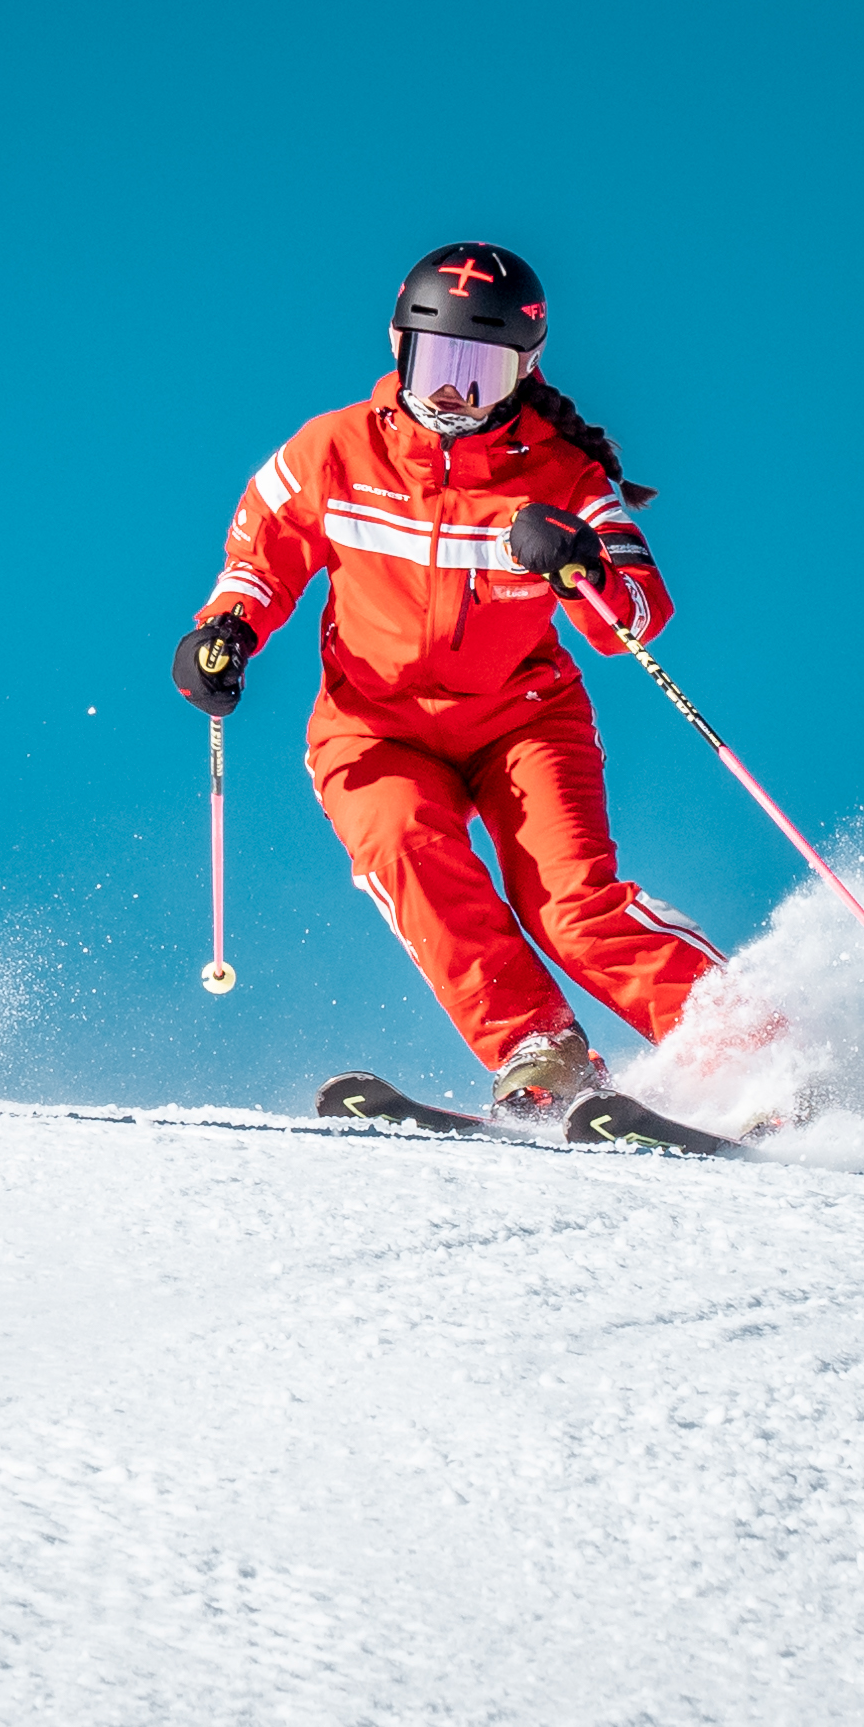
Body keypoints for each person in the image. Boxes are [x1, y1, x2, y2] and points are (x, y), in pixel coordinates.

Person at [173, 242, 721, 1113]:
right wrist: (226, 630)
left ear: (525, 371)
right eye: (434, 364)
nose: (451, 395)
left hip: (522, 721)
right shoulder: (334, 450)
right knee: (403, 848)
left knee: (569, 906)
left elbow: (639, 620)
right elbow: (260, 553)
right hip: (374, 723)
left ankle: (752, 1051)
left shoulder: (561, 476)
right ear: (398, 350)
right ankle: (539, 1050)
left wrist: (579, 560)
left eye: (480, 372)